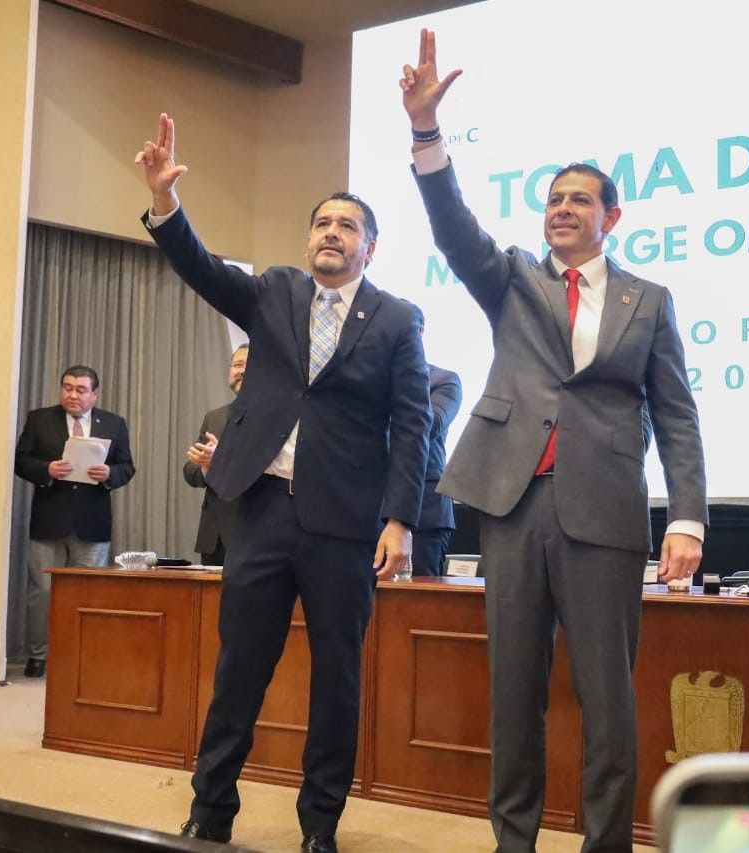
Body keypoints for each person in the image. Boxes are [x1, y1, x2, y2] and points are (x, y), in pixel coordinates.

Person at [400, 31, 709, 853]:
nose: (562, 210)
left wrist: (687, 518)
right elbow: (452, 226)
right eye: (553, 199)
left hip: (604, 510)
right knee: (513, 694)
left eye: (580, 200)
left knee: (606, 699)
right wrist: (427, 133)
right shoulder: (512, 279)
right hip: (509, 501)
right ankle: (515, 842)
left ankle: (604, 844)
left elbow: (676, 414)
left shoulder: (649, 299)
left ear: (612, 217)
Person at [136, 113, 430, 853]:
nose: (332, 232)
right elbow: (202, 269)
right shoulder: (274, 292)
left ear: (370, 245)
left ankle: (319, 825)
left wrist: (401, 519)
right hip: (262, 509)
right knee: (239, 669)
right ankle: (211, 808)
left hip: (344, 524)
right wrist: (167, 203)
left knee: (337, 680)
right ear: (310, 239)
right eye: (322, 223)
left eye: (347, 224)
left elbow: (413, 427)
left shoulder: (397, 319)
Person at [14, 365, 136, 678]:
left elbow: (127, 466)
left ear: (95, 394)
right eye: (67, 388)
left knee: (89, 593)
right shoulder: (40, 419)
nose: (73, 395)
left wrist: (110, 474)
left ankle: (83, 653)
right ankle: (38, 655)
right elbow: (21, 460)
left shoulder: (113, 423)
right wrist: (46, 470)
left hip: (92, 523)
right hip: (49, 520)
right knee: (42, 592)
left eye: (81, 390)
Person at [407, 303, 462, 575]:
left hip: (425, 513)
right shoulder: (368, 379)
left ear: (421, 331)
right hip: (365, 509)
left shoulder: (444, 380)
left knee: (418, 609)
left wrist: (402, 374)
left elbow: (430, 425)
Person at [184, 343, 249, 565]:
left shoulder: (276, 417)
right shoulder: (214, 417)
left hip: (255, 532)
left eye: (250, 365)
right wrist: (205, 467)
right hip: (215, 536)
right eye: (237, 365)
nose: (241, 370)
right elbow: (190, 471)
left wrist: (219, 461)